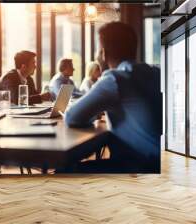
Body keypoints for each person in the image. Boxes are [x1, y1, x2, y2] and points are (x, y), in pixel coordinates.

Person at [64, 22, 162, 173]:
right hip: (160, 164)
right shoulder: (156, 72)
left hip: (138, 166)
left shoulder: (114, 79)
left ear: (103, 53)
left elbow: (72, 117)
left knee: (64, 171)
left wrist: (93, 112)